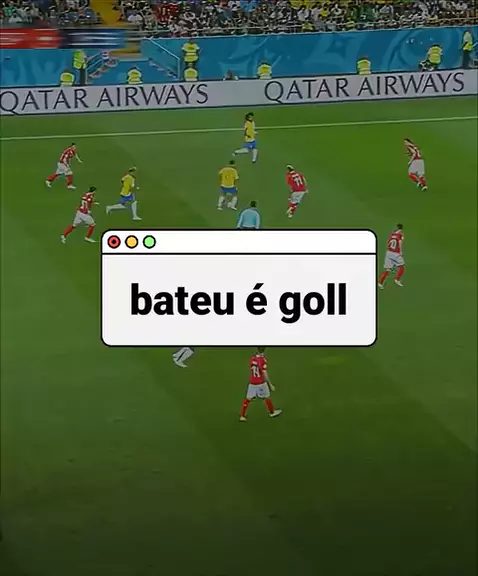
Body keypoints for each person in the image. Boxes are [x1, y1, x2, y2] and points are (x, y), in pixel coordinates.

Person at [239, 348, 282, 422]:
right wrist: (270, 385)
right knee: (266, 397)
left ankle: (242, 416)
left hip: (252, 382)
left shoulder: (252, 358)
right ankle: (272, 412)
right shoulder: (263, 360)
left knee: (248, 398)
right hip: (260, 383)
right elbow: (264, 373)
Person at [378, 225, 405, 289]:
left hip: (388, 252)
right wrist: (400, 252)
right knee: (401, 266)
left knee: (387, 269)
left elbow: (388, 242)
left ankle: (380, 283)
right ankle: (397, 279)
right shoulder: (400, 235)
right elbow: (400, 242)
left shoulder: (391, 234)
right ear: (400, 229)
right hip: (396, 253)